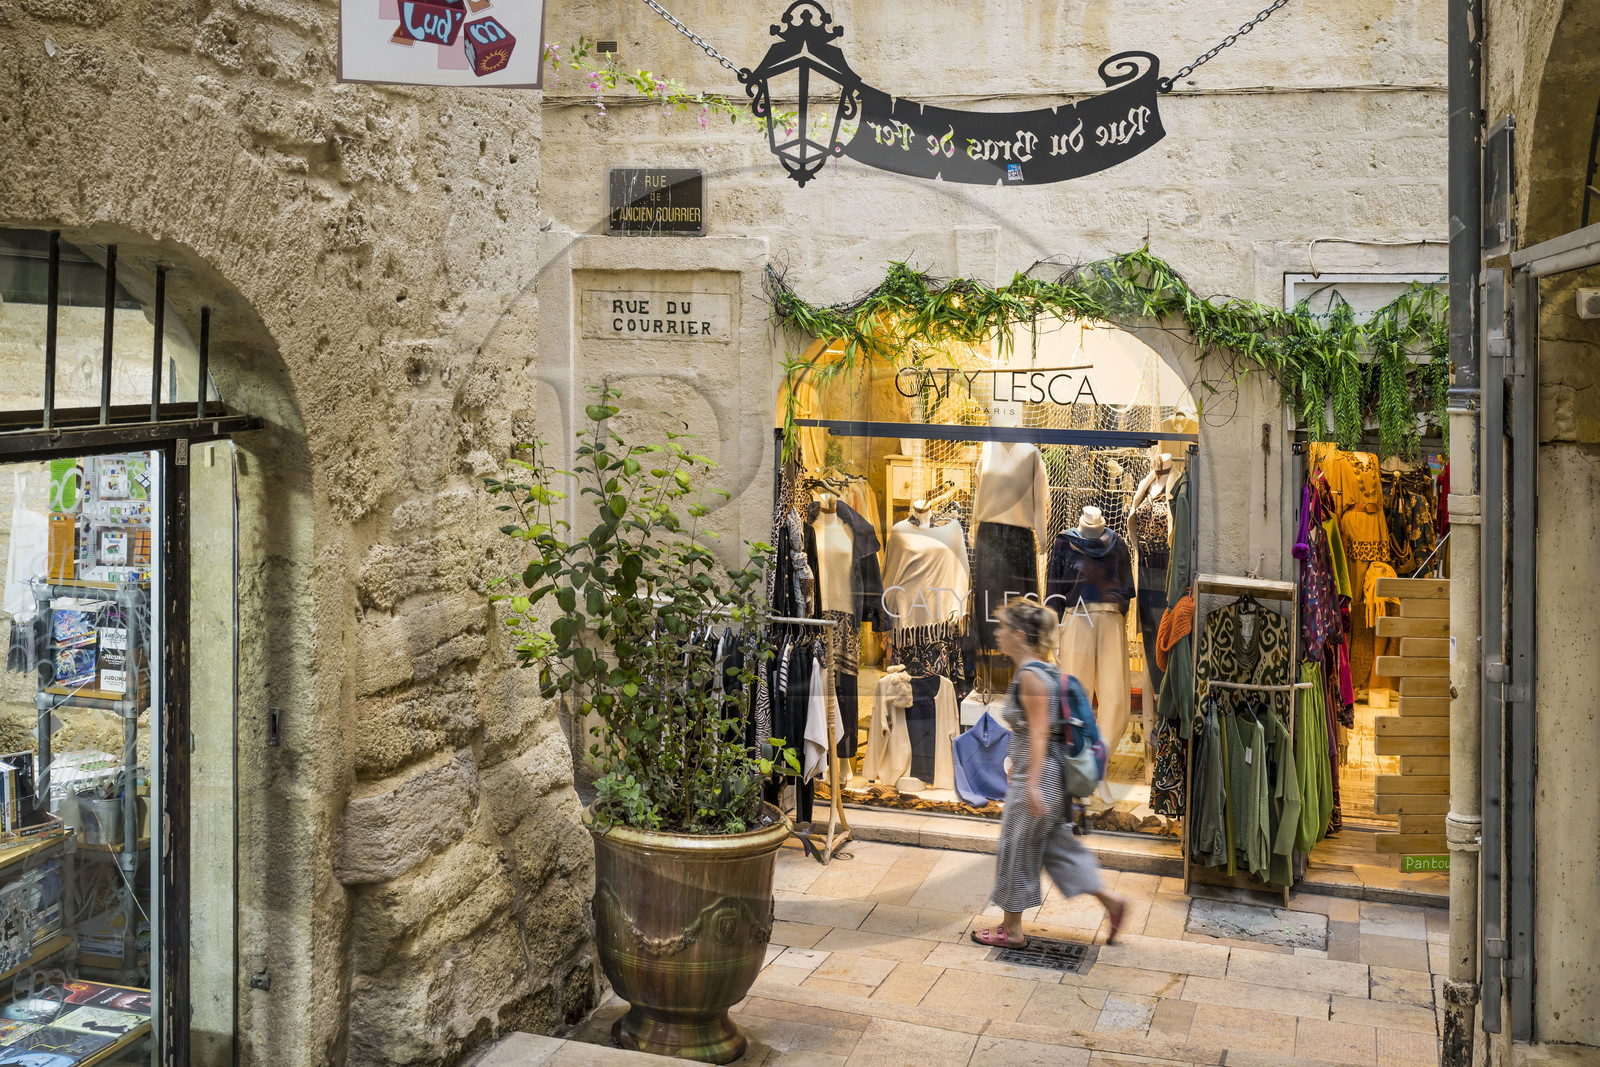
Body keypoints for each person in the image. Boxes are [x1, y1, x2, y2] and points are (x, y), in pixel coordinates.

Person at [971, 598, 1128, 948]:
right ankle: (1112, 902)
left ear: (1020, 634)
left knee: (1015, 848)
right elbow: (1037, 730)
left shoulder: (1030, 676)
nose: (997, 633)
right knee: (1058, 848)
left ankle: (1011, 930)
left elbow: (1041, 732)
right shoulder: (1046, 669)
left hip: (1039, 777)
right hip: (1046, 774)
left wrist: (1034, 785)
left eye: (1002, 628)